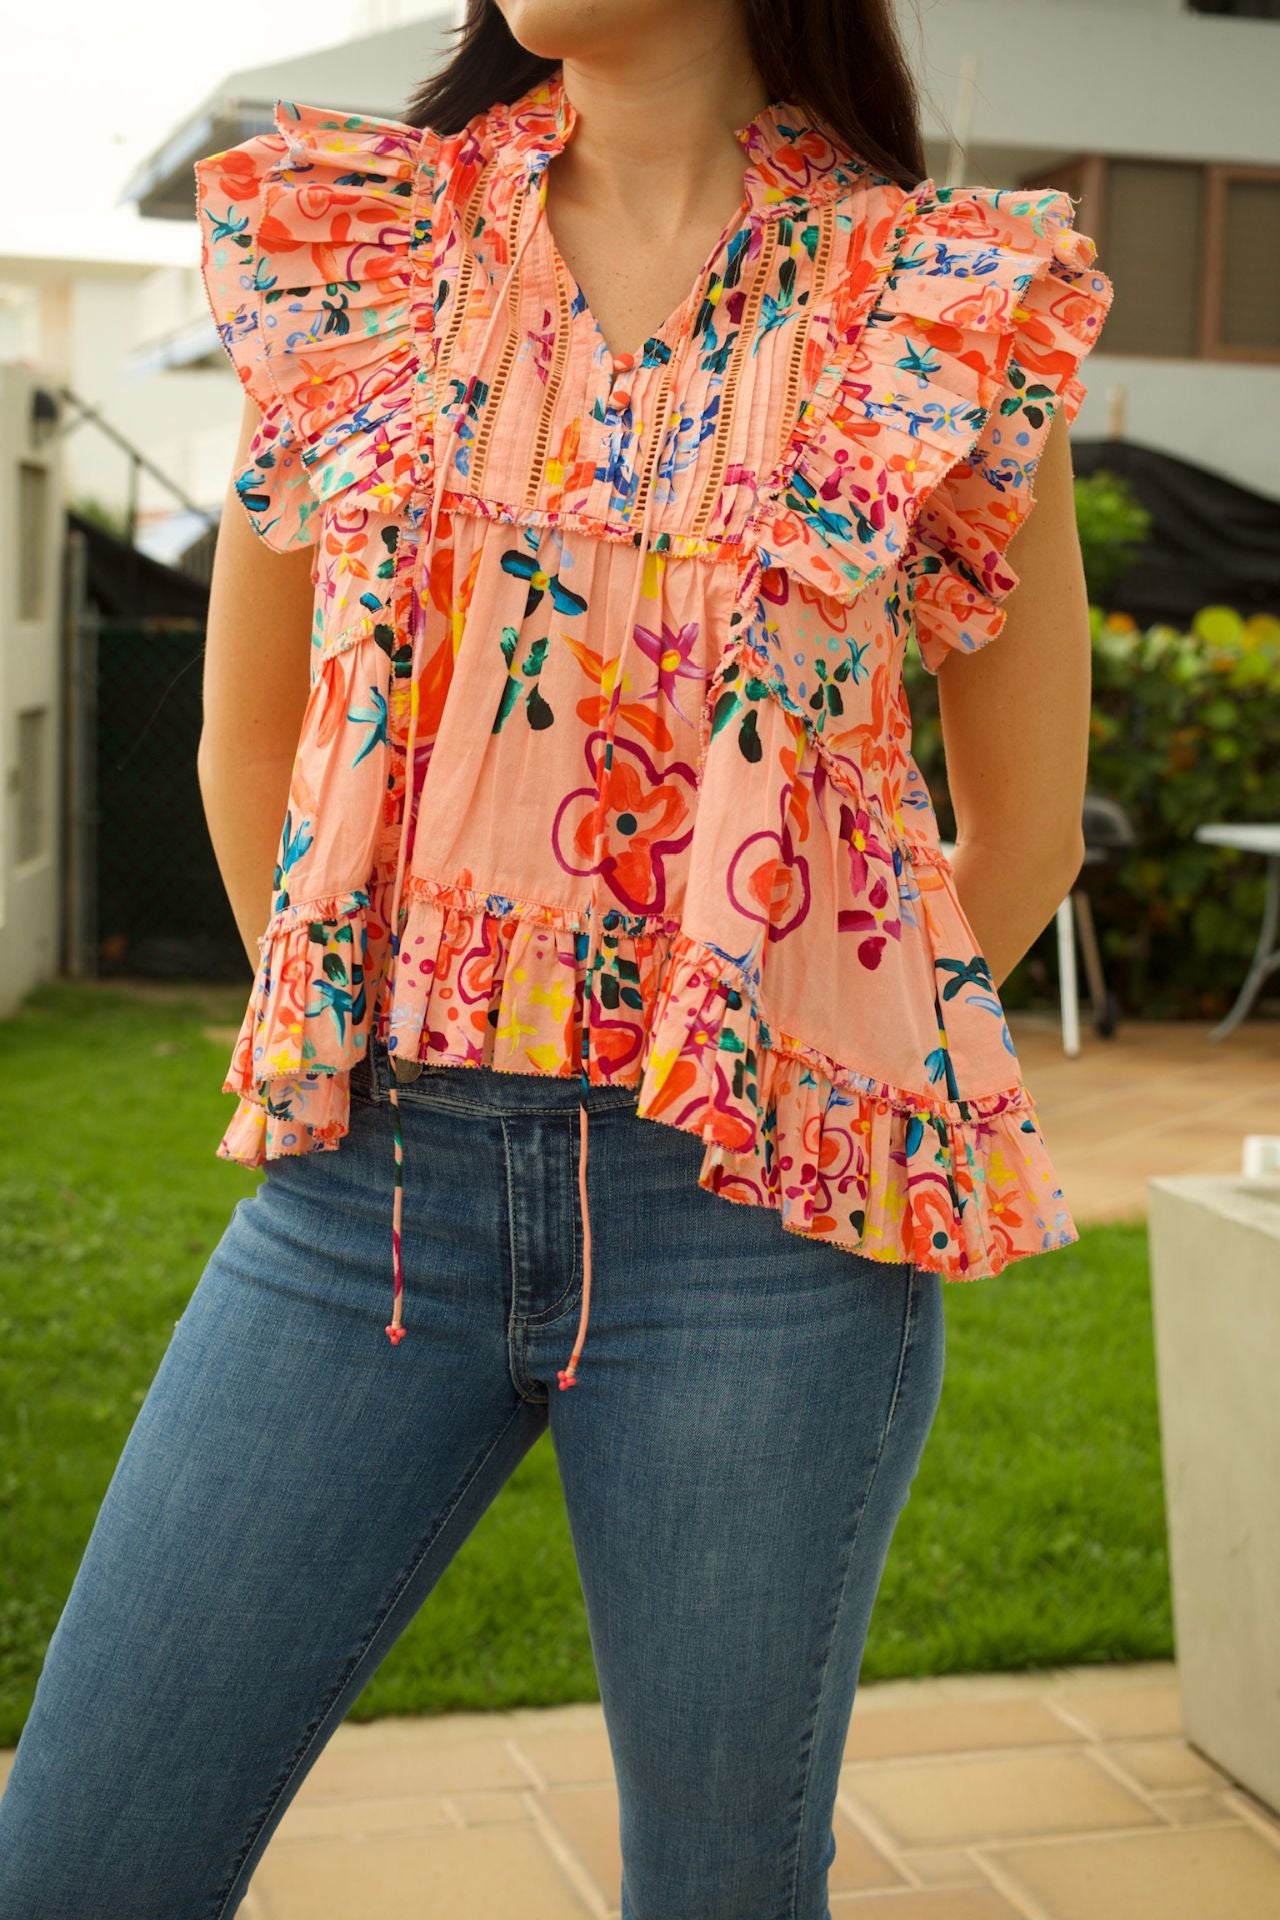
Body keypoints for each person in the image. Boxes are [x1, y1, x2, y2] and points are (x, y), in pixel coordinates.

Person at [0, 0, 1113, 1914]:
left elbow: (1014, 830)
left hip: (761, 1232)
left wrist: (815, 1045)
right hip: (373, 1203)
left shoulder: (932, 299)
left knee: (720, 1889)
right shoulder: (367, 250)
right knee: (85, 1855)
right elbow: (245, 744)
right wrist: (359, 1046)